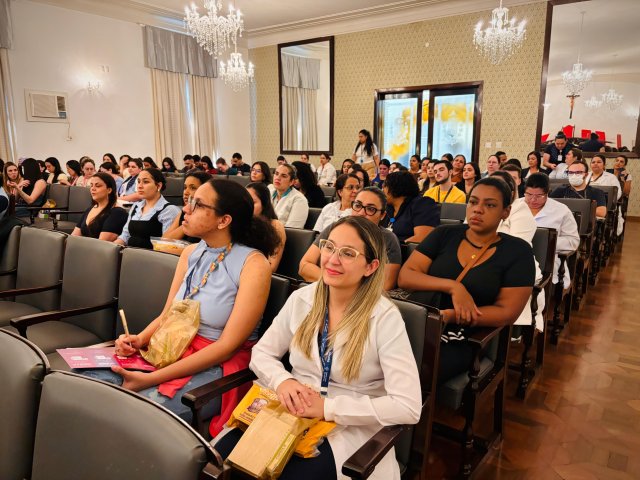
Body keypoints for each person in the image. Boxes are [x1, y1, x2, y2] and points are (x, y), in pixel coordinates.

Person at [213, 216, 421, 480]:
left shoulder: (384, 318)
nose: (332, 259)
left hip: (348, 424)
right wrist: (283, 381)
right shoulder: (302, 298)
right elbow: (263, 352)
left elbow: (407, 406)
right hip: (292, 407)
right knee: (222, 462)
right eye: (329, 247)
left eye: (348, 253)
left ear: (370, 267)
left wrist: (327, 408)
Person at [89, 179, 278, 431]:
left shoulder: (253, 264)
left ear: (224, 220)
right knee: (88, 382)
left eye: (197, 205)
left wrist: (150, 379)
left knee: (136, 414)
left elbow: (226, 347)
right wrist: (140, 339)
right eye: (189, 201)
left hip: (217, 363)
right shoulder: (191, 252)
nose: (185, 210)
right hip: (172, 344)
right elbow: (168, 314)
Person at [398, 177, 535, 384]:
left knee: (410, 373)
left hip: (467, 335)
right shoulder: (444, 234)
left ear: (506, 212)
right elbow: (406, 276)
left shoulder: (517, 251)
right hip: (420, 319)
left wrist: (451, 316)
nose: (478, 209)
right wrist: (453, 287)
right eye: (473, 202)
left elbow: (507, 312)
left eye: (490, 205)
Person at [301, 187, 402, 291]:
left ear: (382, 215)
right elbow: (305, 266)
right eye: (357, 205)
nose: (361, 213)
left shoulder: (388, 239)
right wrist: (336, 281)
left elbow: (386, 285)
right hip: (323, 290)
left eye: (370, 209)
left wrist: (343, 285)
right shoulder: (335, 228)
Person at [521, 173, 579, 286]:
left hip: (548, 264)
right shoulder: (515, 206)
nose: (533, 200)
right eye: (529, 194)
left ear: (547, 193)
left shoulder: (561, 211)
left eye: (539, 196)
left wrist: (547, 242)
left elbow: (573, 241)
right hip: (517, 259)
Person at [115, 168, 181, 249]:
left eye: (145, 182)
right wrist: (112, 249)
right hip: (129, 254)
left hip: (151, 255)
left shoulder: (169, 210)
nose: (139, 186)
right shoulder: (136, 206)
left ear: (158, 186)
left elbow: (166, 245)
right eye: (138, 181)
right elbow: (125, 236)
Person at [382, 171, 439, 243]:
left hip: (407, 249)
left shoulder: (422, 204)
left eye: (385, 185)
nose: (382, 189)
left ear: (396, 187)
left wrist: (392, 246)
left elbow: (422, 238)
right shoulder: (387, 207)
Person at [71, 172, 128, 241]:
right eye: (91, 185)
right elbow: (73, 237)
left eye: (98, 186)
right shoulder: (90, 209)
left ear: (109, 190)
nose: (93, 189)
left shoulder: (118, 213)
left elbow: (102, 244)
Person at [246, 182, 286, 272]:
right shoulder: (239, 223)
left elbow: (272, 266)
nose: (248, 206)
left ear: (263, 204)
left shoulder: (275, 225)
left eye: (252, 202)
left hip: (258, 274)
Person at [164, 171, 213, 244]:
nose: (186, 192)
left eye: (192, 188)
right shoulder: (183, 212)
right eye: (185, 187)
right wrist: (187, 222)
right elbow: (164, 240)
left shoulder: (208, 216)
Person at [269, 164, 309, 228]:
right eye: (276, 174)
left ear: (291, 182)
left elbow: (293, 229)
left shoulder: (299, 199)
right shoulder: (269, 192)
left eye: (283, 176)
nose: (278, 178)